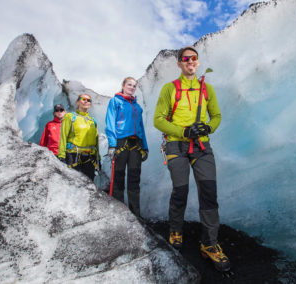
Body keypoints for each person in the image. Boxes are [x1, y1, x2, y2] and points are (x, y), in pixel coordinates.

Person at [153, 46, 230, 272]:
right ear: (179, 64)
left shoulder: (207, 89)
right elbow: (158, 119)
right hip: (177, 144)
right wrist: (184, 131)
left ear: (197, 63)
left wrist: (208, 127)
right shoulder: (170, 89)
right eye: (185, 59)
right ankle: (176, 229)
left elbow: (216, 116)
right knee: (181, 189)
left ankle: (209, 244)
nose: (190, 62)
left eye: (194, 59)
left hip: (202, 146)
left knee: (209, 193)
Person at [105, 77, 148, 217]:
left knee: (134, 179)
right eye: (129, 84)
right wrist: (112, 144)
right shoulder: (115, 101)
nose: (132, 87)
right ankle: (119, 214)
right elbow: (110, 122)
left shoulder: (137, 106)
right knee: (118, 178)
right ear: (123, 85)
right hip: (121, 143)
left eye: (134, 85)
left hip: (136, 145)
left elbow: (141, 127)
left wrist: (145, 147)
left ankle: (135, 214)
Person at [58, 94, 100, 181]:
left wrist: (98, 158)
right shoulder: (70, 117)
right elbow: (63, 137)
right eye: (83, 99)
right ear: (78, 102)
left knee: (89, 185)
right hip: (74, 155)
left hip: (90, 157)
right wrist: (62, 156)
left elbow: (96, 141)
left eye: (89, 100)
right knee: (73, 184)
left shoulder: (92, 121)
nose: (86, 101)